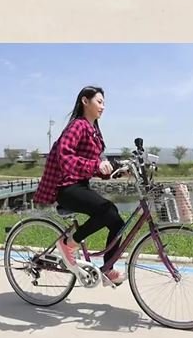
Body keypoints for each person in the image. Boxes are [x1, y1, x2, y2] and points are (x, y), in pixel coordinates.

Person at [33, 86, 126, 286]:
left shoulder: (94, 132)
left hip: (79, 185)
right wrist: (96, 165)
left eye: (104, 103)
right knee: (108, 210)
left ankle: (107, 269)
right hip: (65, 187)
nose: (103, 107)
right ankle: (68, 244)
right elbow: (64, 156)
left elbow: (96, 165)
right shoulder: (77, 125)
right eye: (99, 102)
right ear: (85, 101)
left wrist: (118, 170)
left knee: (117, 222)